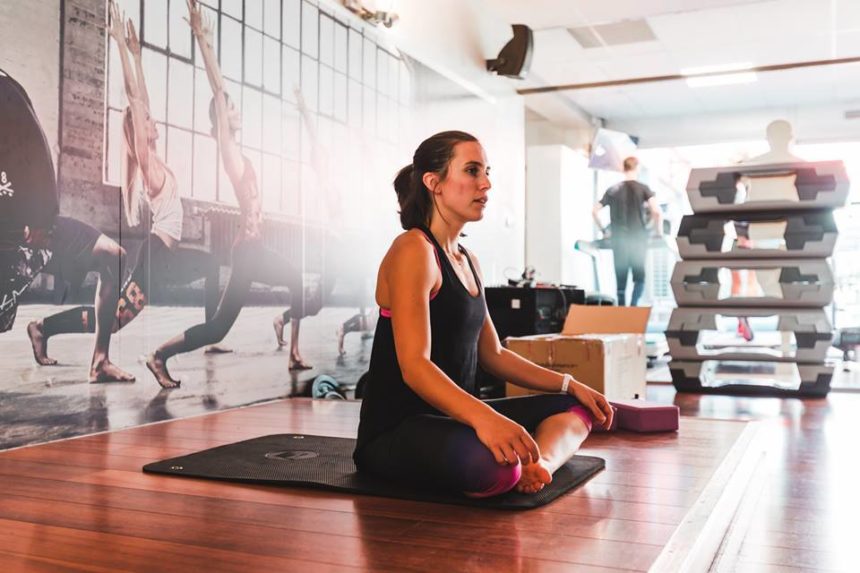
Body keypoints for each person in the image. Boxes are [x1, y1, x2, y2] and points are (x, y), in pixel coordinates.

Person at [353, 131, 614, 498]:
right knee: (494, 466)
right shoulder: (414, 249)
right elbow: (415, 366)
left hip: (457, 418)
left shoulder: (469, 261)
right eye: (472, 171)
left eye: (486, 171)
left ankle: (540, 467)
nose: (486, 183)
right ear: (434, 183)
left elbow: (494, 355)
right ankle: (515, 466)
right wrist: (487, 419)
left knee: (572, 408)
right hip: (399, 430)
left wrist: (570, 384)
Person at [28, 2, 225, 373]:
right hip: (155, 258)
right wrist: (121, 49)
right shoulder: (148, 165)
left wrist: (135, 54)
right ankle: (43, 327)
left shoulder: (156, 160)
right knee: (114, 319)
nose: (154, 121)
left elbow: (142, 100)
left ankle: (213, 332)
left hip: (164, 256)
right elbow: (136, 101)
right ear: (138, 129)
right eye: (148, 120)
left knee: (212, 264)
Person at [146, 0, 310, 388]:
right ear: (221, 119)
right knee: (218, 328)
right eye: (231, 108)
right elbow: (218, 90)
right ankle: (159, 354)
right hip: (247, 252)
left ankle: (294, 353)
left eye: (234, 108)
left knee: (296, 281)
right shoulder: (230, 151)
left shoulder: (241, 153)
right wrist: (203, 41)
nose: (237, 111)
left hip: (254, 248)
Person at [592, 156, 662, 306]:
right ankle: (633, 307)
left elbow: (594, 211)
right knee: (639, 278)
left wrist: (604, 231)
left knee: (621, 281)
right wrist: (658, 233)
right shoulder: (644, 188)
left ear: (623, 168)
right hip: (638, 239)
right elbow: (656, 212)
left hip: (619, 240)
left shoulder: (613, 190)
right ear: (637, 168)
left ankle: (622, 312)